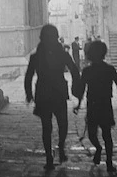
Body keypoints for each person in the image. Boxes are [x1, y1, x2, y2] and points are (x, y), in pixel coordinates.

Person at [25, 24, 81, 169]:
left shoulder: (40, 56)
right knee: (54, 125)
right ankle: (52, 153)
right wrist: (76, 90)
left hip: (48, 92)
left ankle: (56, 150)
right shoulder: (52, 55)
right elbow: (74, 71)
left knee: (54, 125)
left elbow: (29, 76)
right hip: (54, 92)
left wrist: (29, 94)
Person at [72, 39, 117, 173]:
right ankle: (99, 149)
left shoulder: (96, 70)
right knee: (94, 134)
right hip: (98, 105)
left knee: (104, 134)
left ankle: (108, 161)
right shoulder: (99, 70)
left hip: (100, 104)